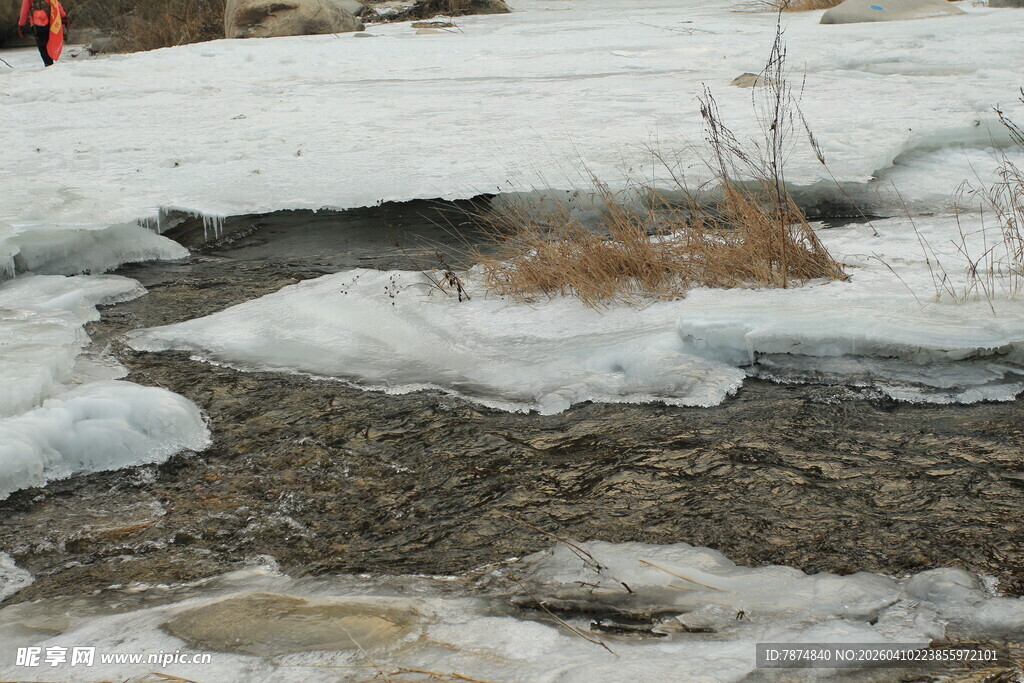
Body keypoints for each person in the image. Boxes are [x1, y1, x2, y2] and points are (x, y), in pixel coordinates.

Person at [18, 0, 67, 67]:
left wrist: (21, 25)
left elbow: (24, 11)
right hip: (50, 23)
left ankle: (48, 64)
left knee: (42, 47)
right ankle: (51, 66)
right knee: (50, 44)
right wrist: (63, 16)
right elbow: (56, 4)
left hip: (36, 25)